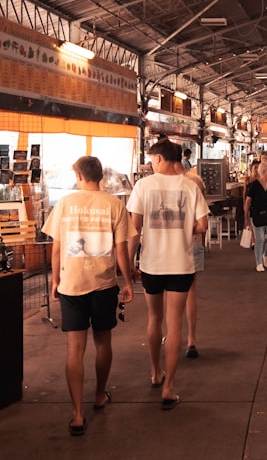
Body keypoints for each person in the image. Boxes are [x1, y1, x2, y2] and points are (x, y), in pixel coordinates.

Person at [45, 155, 135, 435]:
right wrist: (128, 281)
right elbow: (122, 250)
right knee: (103, 341)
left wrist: (55, 280)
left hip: (71, 284)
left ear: (81, 175)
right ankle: (99, 394)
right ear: (100, 176)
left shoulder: (65, 204)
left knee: (75, 349)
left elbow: (57, 248)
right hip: (103, 284)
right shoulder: (114, 204)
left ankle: (77, 414)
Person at [127, 139, 209, 411]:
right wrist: (184, 232)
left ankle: (155, 372)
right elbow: (202, 225)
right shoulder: (191, 185)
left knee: (154, 318)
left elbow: (134, 229)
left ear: (160, 158)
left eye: (152, 159)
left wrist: (128, 263)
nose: (151, 163)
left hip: (152, 264)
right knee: (174, 325)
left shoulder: (143, 186)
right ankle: (169, 387)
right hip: (181, 264)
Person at [173, 152, 205, 360]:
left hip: (166, 247)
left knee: (167, 296)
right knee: (190, 291)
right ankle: (191, 339)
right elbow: (202, 221)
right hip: (193, 242)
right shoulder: (196, 181)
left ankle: (172, 337)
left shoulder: (158, 183)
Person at [245, 161, 267, 272]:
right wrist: (246, 217)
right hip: (256, 214)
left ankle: (266, 255)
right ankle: (259, 262)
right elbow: (248, 201)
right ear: (264, 171)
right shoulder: (253, 185)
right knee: (259, 239)